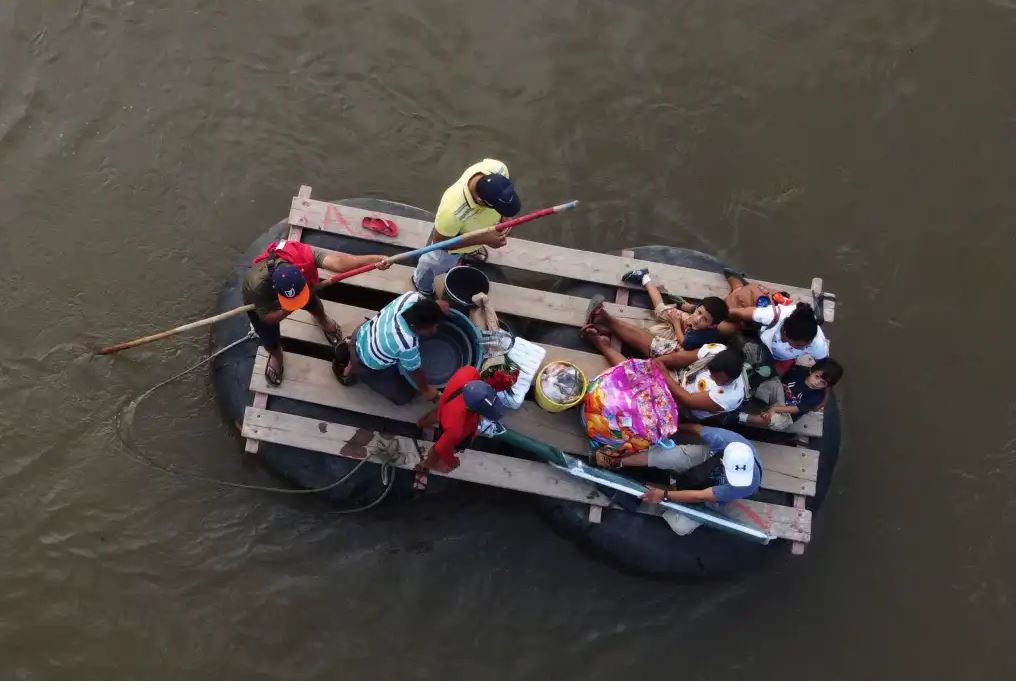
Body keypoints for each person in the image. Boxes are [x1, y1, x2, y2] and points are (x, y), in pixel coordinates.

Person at [243, 238, 389, 386]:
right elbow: (268, 318)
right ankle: (276, 354)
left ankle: (323, 320)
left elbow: (338, 262)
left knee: (312, 303)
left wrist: (375, 260)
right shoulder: (256, 287)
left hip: (300, 291)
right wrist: (287, 310)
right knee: (269, 337)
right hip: (264, 303)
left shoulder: (301, 255)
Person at [581, 328, 746, 423]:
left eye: (718, 379)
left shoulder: (728, 396)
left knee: (638, 380)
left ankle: (603, 346)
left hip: (682, 406)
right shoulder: (717, 350)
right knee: (657, 348)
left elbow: (688, 400)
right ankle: (609, 322)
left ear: (730, 379)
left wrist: (664, 375)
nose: (714, 379)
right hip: (685, 375)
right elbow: (681, 358)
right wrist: (655, 363)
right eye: (712, 374)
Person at [412, 158, 522, 295]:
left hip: (477, 228)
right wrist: (484, 239)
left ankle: (469, 250)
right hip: (449, 245)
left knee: (472, 241)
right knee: (434, 263)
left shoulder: (499, 168)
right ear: (481, 201)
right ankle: (421, 284)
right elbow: (441, 242)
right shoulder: (452, 212)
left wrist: (505, 215)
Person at [631, 424, 762, 535]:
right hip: (711, 457)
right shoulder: (723, 439)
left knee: (680, 526)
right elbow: (696, 428)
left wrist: (664, 495)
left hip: (710, 494)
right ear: (723, 461)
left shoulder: (746, 484)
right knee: (667, 456)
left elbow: (700, 496)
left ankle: (670, 501)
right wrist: (673, 426)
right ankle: (622, 461)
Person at [343, 291, 447, 405]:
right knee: (404, 396)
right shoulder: (406, 343)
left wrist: (436, 307)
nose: (435, 330)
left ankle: (350, 346)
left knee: (393, 351)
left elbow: (433, 308)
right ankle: (353, 367)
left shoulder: (411, 297)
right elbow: (415, 371)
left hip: (362, 333)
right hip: (367, 363)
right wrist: (427, 391)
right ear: (416, 327)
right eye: (432, 327)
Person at [587, 272, 729, 355]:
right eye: (699, 312)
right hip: (685, 327)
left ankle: (603, 324)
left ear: (712, 325)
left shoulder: (703, 336)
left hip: (680, 341)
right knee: (662, 310)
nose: (698, 319)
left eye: (705, 319)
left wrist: (676, 323)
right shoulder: (698, 318)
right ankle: (645, 278)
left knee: (651, 333)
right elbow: (695, 313)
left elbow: (684, 343)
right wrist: (681, 309)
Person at [415, 365, 507, 473]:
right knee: (438, 450)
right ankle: (428, 463)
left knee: (438, 413)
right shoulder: (456, 429)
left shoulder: (470, 371)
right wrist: (452, 462)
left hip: (446, 403)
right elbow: (441, 448)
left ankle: (421, 423)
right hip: (451, 422)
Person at [738, 358, 843, 431]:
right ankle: (752, 398)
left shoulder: (817, 396)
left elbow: (795, 409)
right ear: (811, 371)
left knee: (776, 421)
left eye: (823, 383)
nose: (817, 383)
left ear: (827, 386)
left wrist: (774, 410)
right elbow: (780, 379)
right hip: (780, 397)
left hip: (788, 413)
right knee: (772, 383)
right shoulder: (798, 372)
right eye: (817, 377)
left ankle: (745, 417)